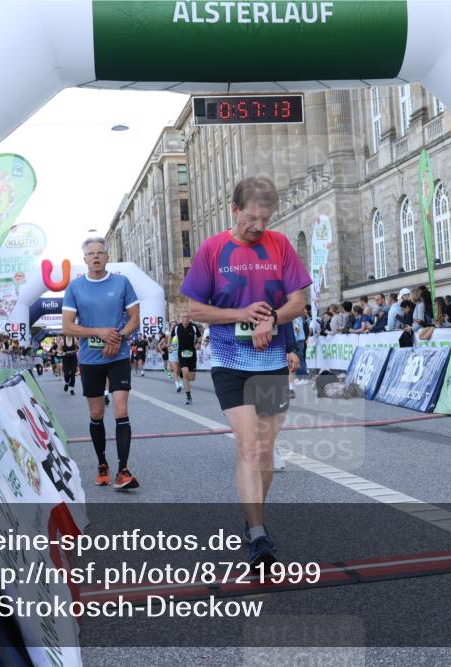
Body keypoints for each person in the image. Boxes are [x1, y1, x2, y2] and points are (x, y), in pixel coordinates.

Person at [181, 176, 311, 568]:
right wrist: (241, 315)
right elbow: (195, 311)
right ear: (234, 210)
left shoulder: (281, 245)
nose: (258, 226)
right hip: (228, 361)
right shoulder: (212, 249)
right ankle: (258, 535)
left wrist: (271, 318)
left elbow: (298, 303)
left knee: (266, 453)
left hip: (271, 363)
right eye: (251, 218)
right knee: (249, 445)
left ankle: (254, 516)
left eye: (265, 219)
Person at [62, 237, 141, 491]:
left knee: (120, 409)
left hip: (118, 355)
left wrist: (118, 337)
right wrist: (100, 332)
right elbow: (67, 326)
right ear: (84, 259)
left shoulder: (121, 282)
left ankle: (123, 469)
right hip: (90, 358)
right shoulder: (75, 288)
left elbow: (135, 319)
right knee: (96, 413)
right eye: (91, 253)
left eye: (100, 252)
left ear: (107, 257)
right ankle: (103, 464)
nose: (96, 256)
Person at [174, 314, 203, 405]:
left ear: (189, 318)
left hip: (192, 354)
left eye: (187, 317)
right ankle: (188, 396)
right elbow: (170, 336)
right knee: (185, 374)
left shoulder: (194, 327)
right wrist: (168, 345)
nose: (186, 318)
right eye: (184, 317)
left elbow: (199, 336)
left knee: (191, 377)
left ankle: (186, 381)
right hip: (181, 353)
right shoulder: (177, 327)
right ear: (180, 319)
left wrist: (198, 343)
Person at [168, 320, 182, 392]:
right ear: (170, 326)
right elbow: (166, 344)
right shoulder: (168, 334)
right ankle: (177, 385)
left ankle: (181, 382)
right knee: (176, 370)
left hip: (180, 353)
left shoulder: (180, 333)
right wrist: (168, 347)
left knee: (179, 370)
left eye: (175, 325)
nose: (173, 326)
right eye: (172, 325)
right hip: (172, 353)